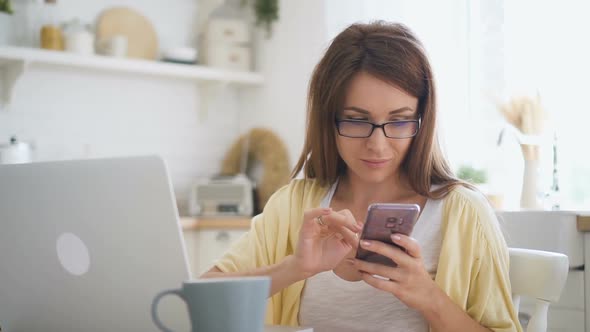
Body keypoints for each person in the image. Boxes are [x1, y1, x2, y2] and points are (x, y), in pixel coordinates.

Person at [203, 21, 522, 332]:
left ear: (421, 121)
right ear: (329, 120)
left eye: (399, 121)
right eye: (357, 121)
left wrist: (429, 297)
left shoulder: (464, 214)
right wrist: (295, 267)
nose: (377, 145)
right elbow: (201, 300)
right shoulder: (293, 206)